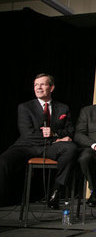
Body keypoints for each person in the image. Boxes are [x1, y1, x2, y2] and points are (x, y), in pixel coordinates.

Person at [0, 73, 77, 209]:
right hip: (26, 146)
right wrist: (56, 138)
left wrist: (55, 133)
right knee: (3, 161)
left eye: (42, 84)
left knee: (70, 148)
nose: (38, 88)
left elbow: (70, 131)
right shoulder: (25, 107)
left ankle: (55, 192)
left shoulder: (63, 108)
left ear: (51, 88)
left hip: (50, 148)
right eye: (36, 85)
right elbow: (27, 134)